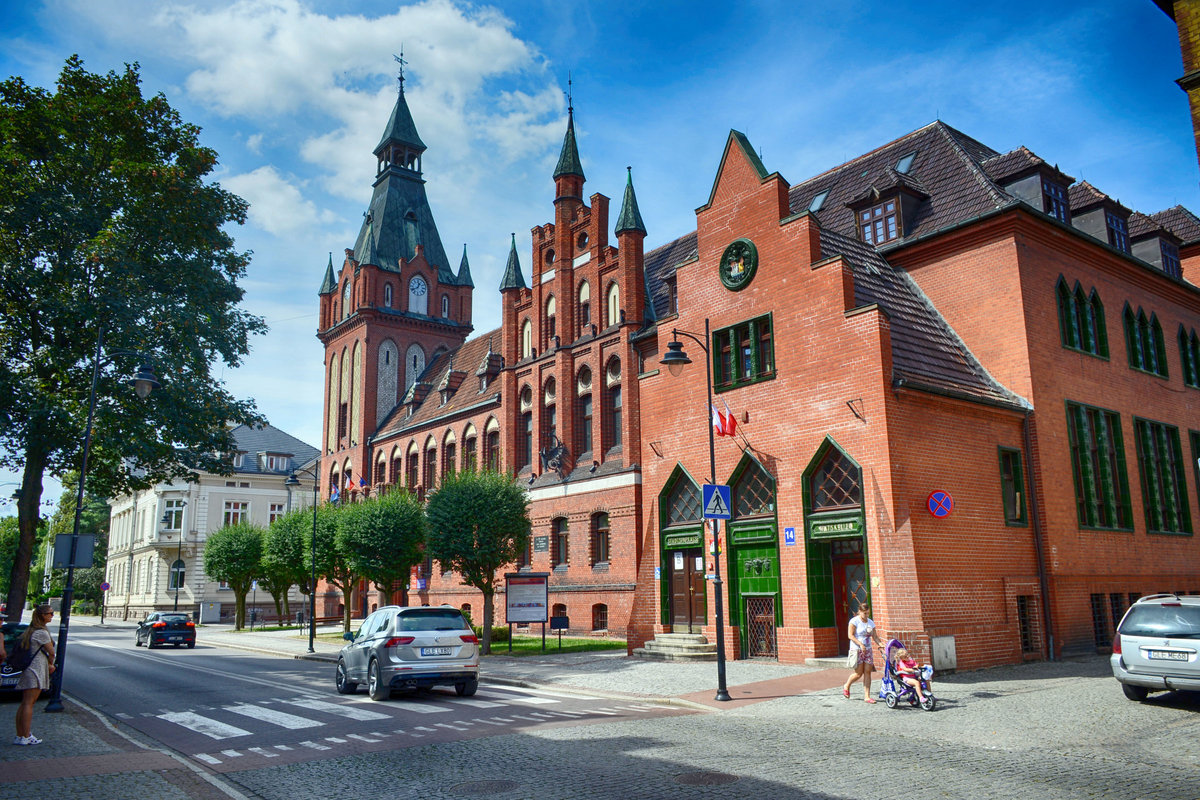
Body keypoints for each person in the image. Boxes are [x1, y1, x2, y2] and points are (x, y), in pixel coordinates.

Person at [13, 604, 55, 746]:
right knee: (29, 704)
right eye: (50, 613)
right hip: (36, 669)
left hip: (29, 669)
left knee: (25, 703)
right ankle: (26, 735)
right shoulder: (41, 632)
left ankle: (20, 735)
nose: (52, 616)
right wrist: (51, 664)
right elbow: (51, 651)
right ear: (42, 615)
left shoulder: (31, 630)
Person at [842, 604, 880, 703]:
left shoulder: (871, 622)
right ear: (859, 611)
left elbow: (875, 636)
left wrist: (881, 644)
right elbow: (850, 635)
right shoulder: (854, 621)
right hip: (857, 649)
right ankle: (847, 685)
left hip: (868, 650)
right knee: (858, 673)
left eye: (868, 613)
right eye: (865, 613)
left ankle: (867, 696)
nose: (867, 615)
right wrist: (860, 644)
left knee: (868, 672)